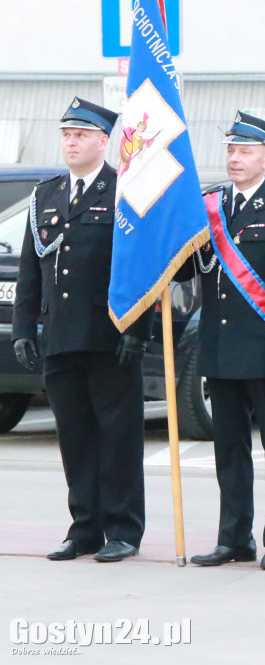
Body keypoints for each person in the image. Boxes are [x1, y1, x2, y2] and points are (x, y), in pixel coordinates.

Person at [12, 97, 152, 562]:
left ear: (103, 141)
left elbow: (142, 268)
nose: (71, 142)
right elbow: (32, 269)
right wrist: (24, 327)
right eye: (66, 135)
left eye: (81, 135)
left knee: (118, 435)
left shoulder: (123, 191)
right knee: (74, 435)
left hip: (109, 336)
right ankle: (84, 528)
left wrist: (137, 328)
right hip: (61, 334)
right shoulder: (46, 195)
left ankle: (123, 529)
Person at [181, 111, 265, 571]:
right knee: (229, 449)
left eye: (245, 152)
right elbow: (189, 267)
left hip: (264, 350)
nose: (235, 159)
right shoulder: (211, 206)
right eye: (231, 151)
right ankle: (233, 537)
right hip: (218, 348)